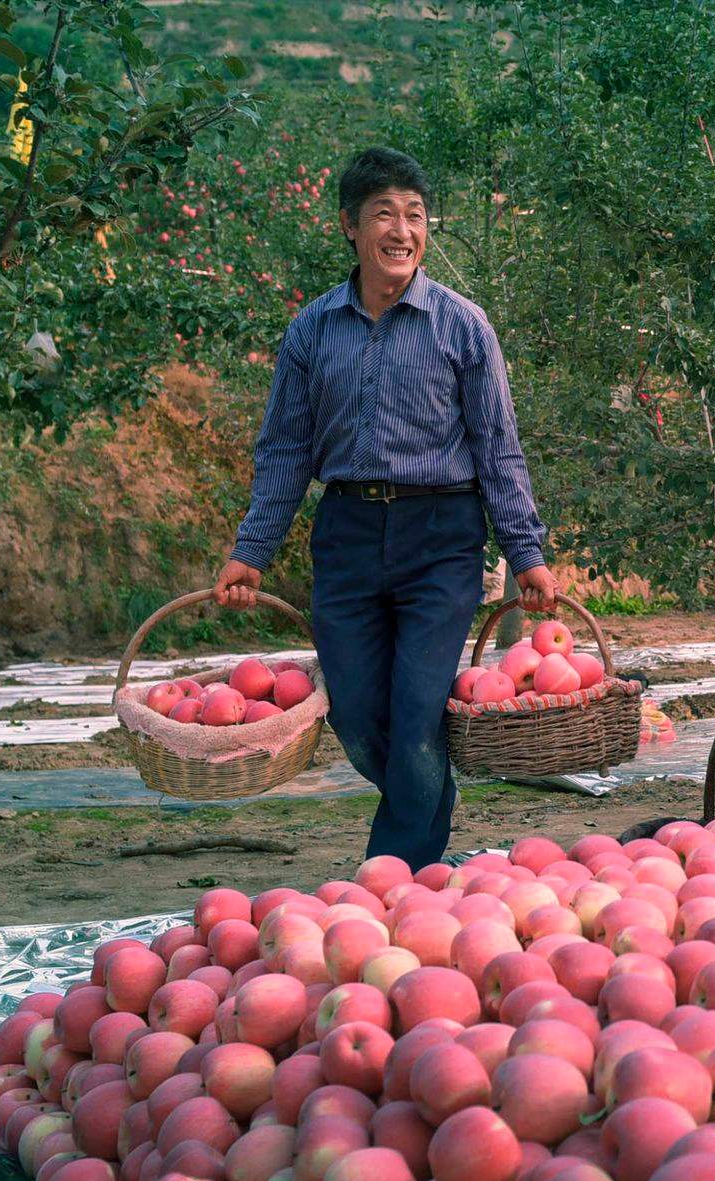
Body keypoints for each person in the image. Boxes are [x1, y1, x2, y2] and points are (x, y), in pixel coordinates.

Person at [212, 147, 558, 867]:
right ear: (349, 225)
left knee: (418, 718)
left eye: (415, 215)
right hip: (348, 532)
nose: (402, 230)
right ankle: (428, 804)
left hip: (442, 536)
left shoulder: (464, 327)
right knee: (359, 714)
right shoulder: (311, 332)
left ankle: (392, 883)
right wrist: (251, 550)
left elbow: (498, 449)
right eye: (384, 214)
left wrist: (525, 552)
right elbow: (285, 452)